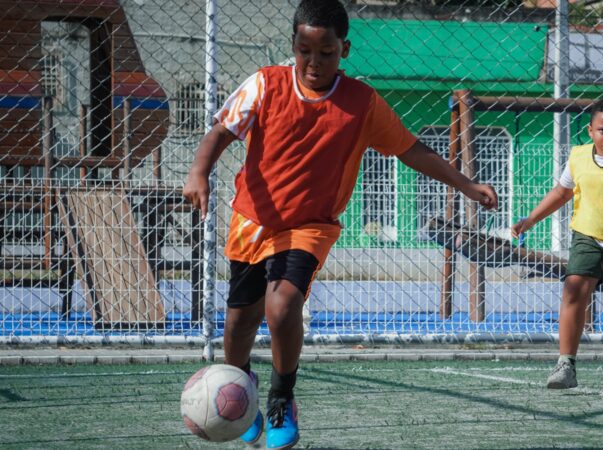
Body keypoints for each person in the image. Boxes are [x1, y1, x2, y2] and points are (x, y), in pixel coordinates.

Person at [182, 1, 498, 448]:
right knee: (238, 324)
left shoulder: (362, 104)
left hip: (310, 225)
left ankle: (280, 399)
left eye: (326, 52)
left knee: (282, 307)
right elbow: (219, 132)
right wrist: (198, 171)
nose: (314, 62)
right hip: (253, 218)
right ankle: (243, 395)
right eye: (304, 50)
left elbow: (410, 149)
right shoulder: (265, 84)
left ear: (344, 49)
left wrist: (464, 183)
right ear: (292, 45)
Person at [511, 98, 603, 391]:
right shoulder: (579, 157)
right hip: (587, 237)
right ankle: (565, 364)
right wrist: (529, 220)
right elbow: (561, 192)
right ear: (591, 130)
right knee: (574, 289)